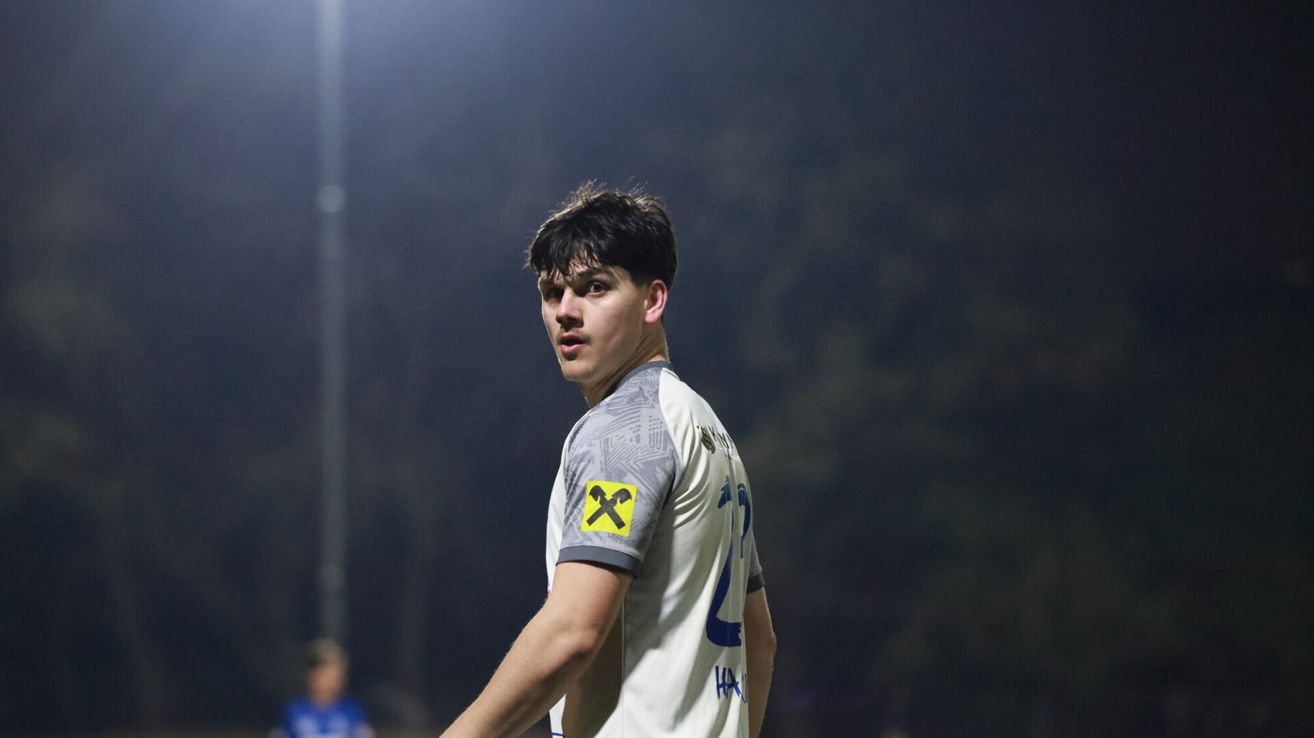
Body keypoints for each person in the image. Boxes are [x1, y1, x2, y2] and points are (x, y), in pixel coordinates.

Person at [442, 184, 777, 737]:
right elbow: (759, 642)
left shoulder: (628, 428)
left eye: (594, 288)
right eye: (552, 293)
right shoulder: (705, 427)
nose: (566, 313)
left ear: (652, 300)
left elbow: (573, 630)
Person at [271, 639, 374, 738]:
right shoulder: (293, 712)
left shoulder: (352, 711)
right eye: (329, 675)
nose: (336, 680)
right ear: (313, 675)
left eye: (339, 675)